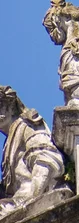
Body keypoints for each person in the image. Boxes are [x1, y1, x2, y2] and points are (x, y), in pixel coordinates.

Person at [0, 86, 66, 215]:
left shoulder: (27, 125)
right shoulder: (7, 143)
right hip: (17, 200)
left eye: (0, 105)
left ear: (12, 107)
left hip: (30, 197)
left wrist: (32, 199)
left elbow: (45, 160)